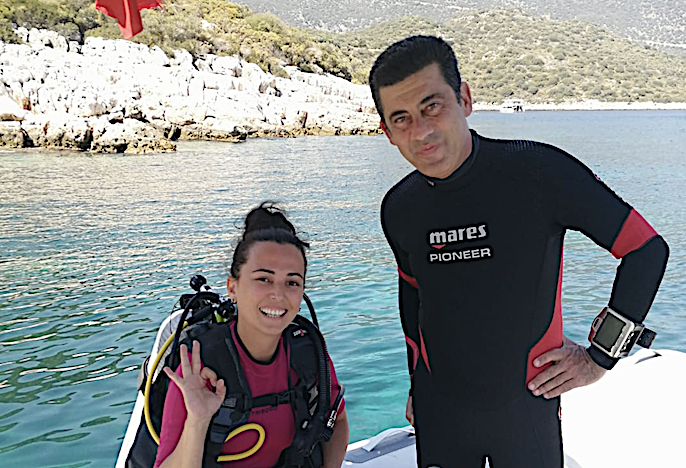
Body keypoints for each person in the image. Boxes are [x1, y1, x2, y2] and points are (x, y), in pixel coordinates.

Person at [369, 36, 669, 468]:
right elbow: (413, 299)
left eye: (432, 105)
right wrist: (416, 385)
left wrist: (599, 357)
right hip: (441, 415)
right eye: (401, 118)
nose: (422, 131)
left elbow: (645, 250)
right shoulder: (399, 207)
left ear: (465, 99)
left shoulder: (539, 172)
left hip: (526, 411)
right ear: (387, 132)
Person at [153, 202, 349, 468]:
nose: (278, 294)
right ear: (232, 287)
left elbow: (336, 422)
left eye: (292, 282)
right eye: (263, 279)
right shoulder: (200, 362)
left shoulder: (307, 350)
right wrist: (197, 421)